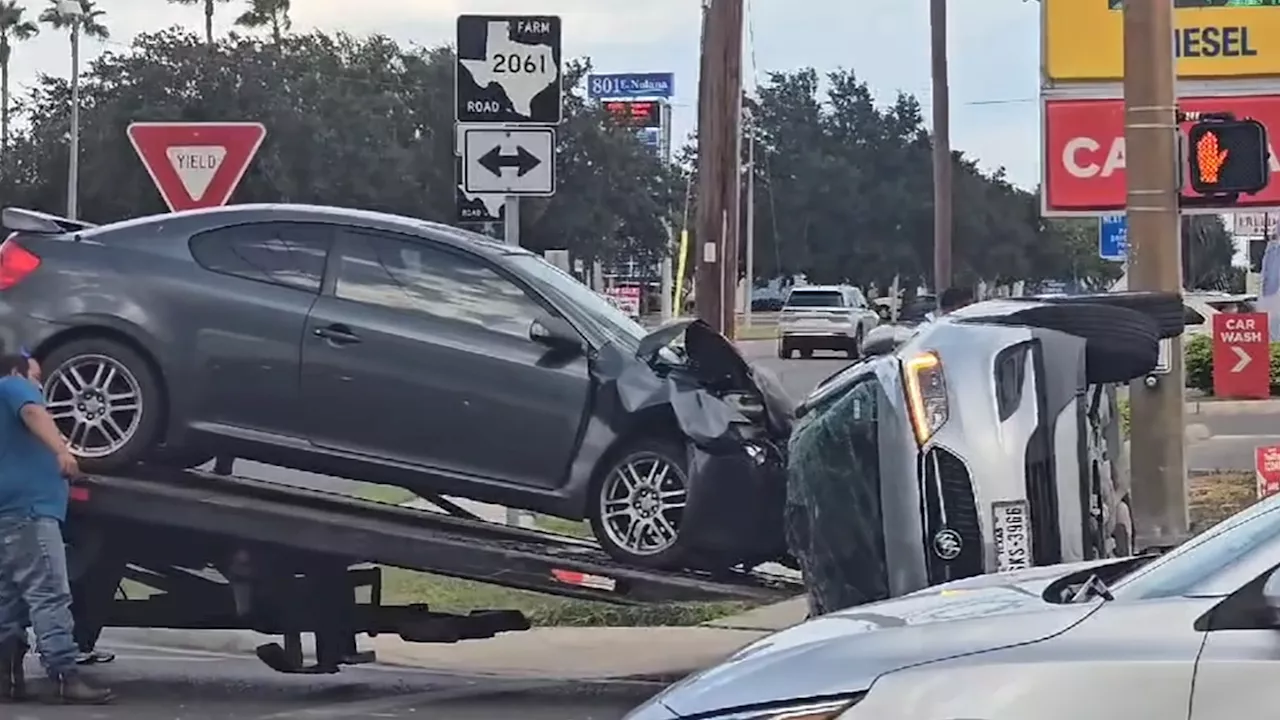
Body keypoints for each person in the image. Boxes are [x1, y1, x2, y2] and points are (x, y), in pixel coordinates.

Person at [0, 353, 112, 704]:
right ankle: (65, 675)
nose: (39, 386)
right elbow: (34, 412)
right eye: (37, 377)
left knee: (8, 599)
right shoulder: (12, 384)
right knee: (48, 593)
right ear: (18, 370)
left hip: (9, 512)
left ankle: (6, 680)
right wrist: (63, 452)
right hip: (31, 511)